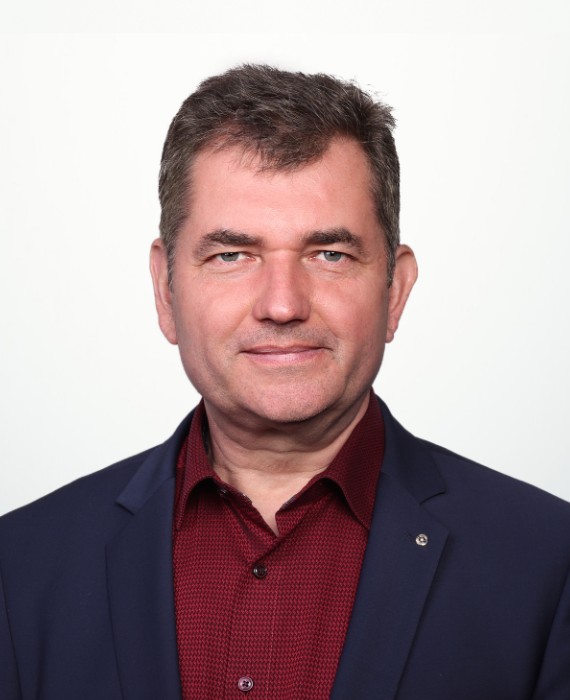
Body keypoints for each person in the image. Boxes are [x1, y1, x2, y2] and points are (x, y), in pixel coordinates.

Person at [1, 64, 569, 700]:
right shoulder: (19, 567)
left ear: (395, 291)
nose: (281, 304)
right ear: (165, 290)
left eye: (330, 255)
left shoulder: (550, 565)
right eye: (232, 255)